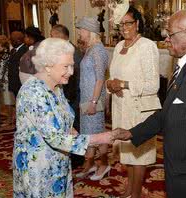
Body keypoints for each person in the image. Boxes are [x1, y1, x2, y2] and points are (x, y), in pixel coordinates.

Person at [111, 9, 186, 198]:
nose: (166, 40)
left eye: (170, 34)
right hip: (178, 164)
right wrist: (132, 133)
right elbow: (168, 112)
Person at [12, 38, 114, 197]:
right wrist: (99, 138)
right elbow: (55, 138)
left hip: (58, 161)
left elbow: (64, 121)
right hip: (39, 167)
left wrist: (74, 132)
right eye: (66, 66)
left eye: (72, 65)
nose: (72, 71)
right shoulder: (33, 92)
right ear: (47, 65)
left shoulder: (56, 87)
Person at [106, 6, 161, 198]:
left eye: (128, 23)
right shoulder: (120, 46)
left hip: (139, 109)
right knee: (127, 153)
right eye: (121, 24)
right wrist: (111, 85)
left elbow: (153, 85)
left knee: (138, 155)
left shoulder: (147, 46)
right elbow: (112, 77)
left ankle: (135, 194)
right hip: (121, 107)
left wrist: (124, 84)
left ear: (137, 23)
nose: (124, 28)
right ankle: (130, 189)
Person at [74, 17, 110, 181]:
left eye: (81, 29)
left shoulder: (98, 50)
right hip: (86, 99)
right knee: (88, 133)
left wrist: (94, 102)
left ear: (89, 31)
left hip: (93, 100)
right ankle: (90, 164)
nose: (79, 33)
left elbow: (100, 79)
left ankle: (104, 164)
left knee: (98, 134)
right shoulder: (90, 49)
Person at [50, 24, 83, 132]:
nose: (51, 39)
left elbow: (75, 77)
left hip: (72, 96)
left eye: (52, 36)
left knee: (74, 124)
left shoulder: (73, 51)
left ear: (60, 36)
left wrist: (68, 96)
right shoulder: (65, 49)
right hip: (66, 94)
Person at [0, 35, 15, 123]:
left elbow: (1, 68)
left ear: (0, 44)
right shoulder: (3, 52)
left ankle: (10, 119)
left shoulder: (5, 54)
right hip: (4, 79)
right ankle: (11, 117)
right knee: (8, 100)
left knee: (8, 100)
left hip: (5, 80)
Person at [8, 31, 28, 97]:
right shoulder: (13, 50)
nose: (10, 41)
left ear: (18, 40)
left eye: (11, 39)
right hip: (14, 84)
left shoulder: (25, 50)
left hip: (20, 84)